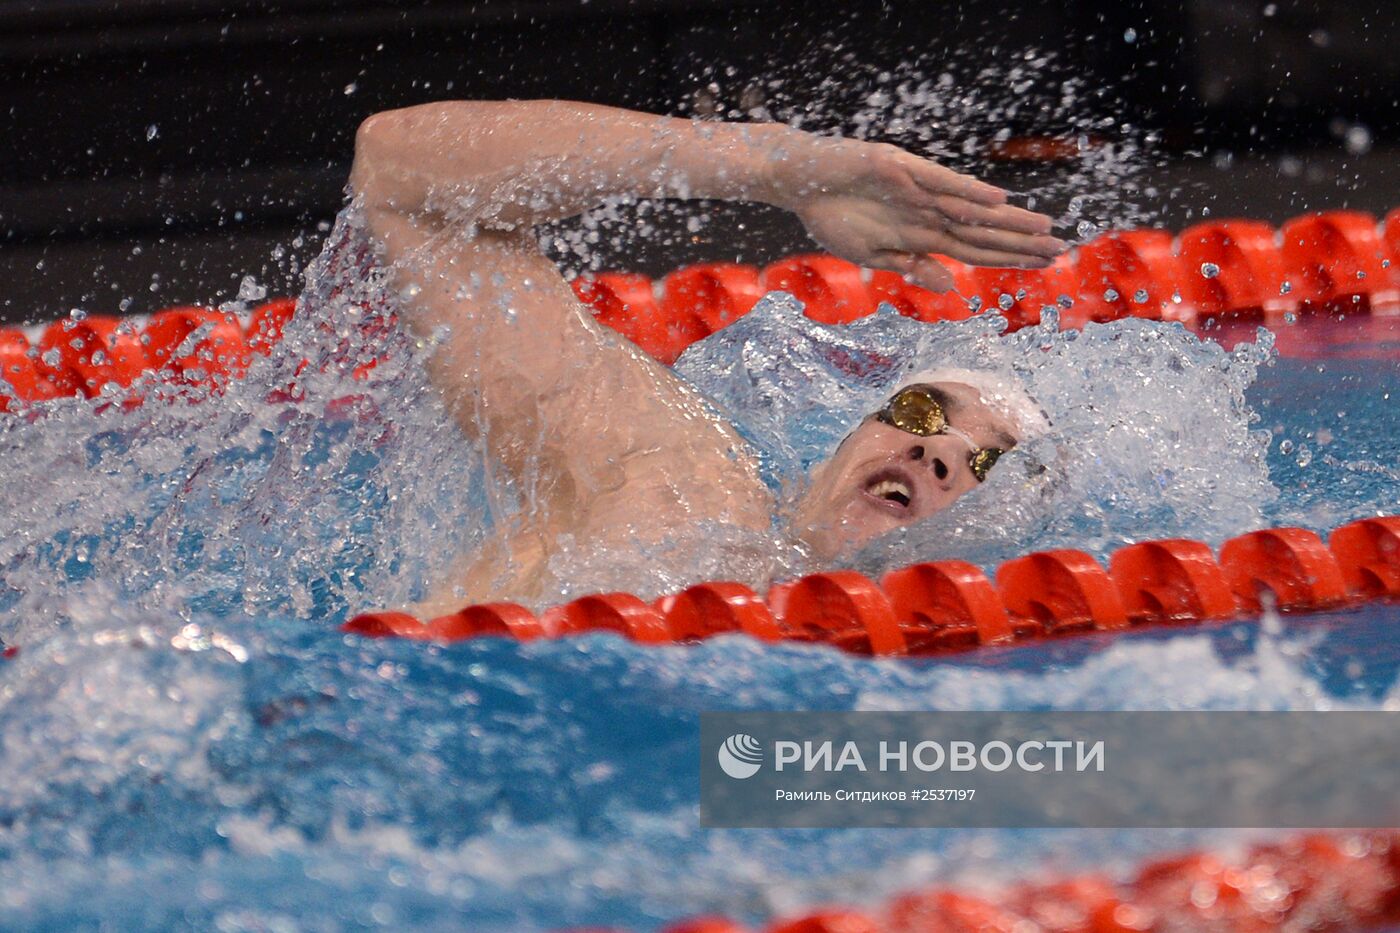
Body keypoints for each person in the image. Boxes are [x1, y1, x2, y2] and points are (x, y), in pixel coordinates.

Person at [348, 99, 1065, 612]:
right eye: (920, 409)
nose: (934, 448)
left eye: (985, 462)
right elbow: (400, 176)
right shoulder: (666, 485)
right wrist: (776, 164)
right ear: (843, 441)